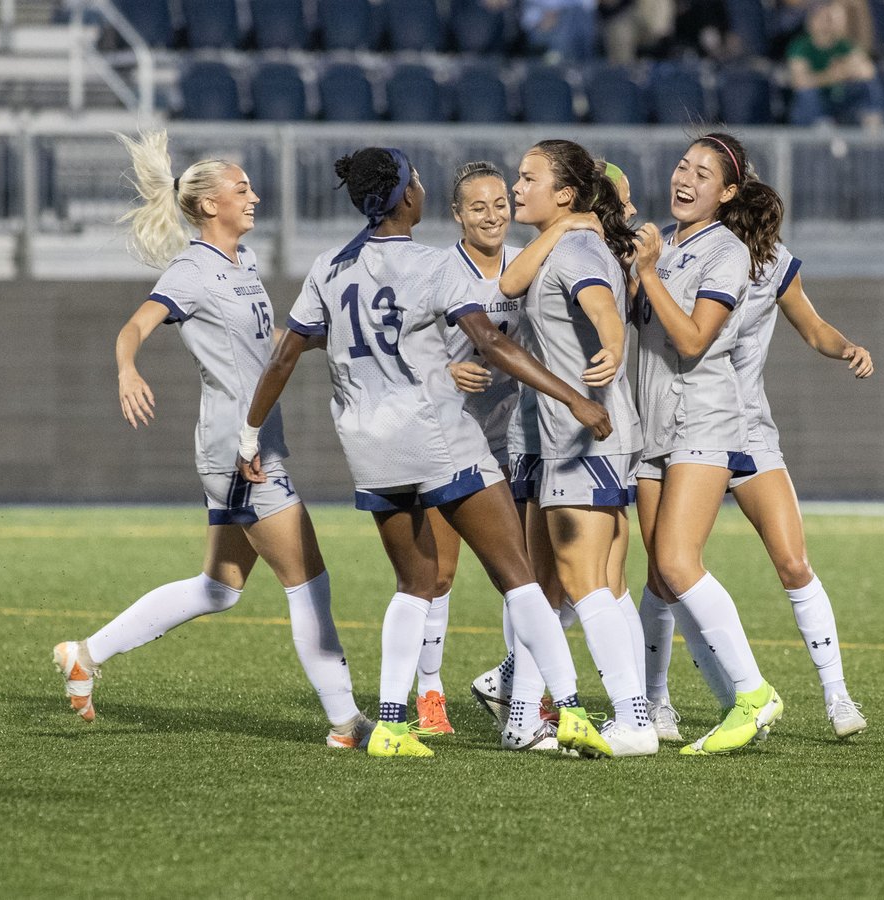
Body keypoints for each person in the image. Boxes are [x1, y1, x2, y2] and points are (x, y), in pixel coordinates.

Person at [236, 146, 617, 760]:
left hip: (370, 447)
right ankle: (569, 711)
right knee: (519, 578)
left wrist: (249, 434)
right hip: (441, 439)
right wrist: (577, 399)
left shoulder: (328, 268)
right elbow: (490, 342)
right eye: (415, 180)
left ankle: (389, 722)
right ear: (405, 199)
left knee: (413, 584)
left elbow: (284, 356)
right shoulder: (434, 265)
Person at [50, 131, 371, 750]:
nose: (253, 196)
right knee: (309, 578)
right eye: (241, 188)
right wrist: (127, 369)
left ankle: (85, 654)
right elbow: (133, 327)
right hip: (240, 450)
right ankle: (346, 723)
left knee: (219, 587)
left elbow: (264, 337)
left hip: (247, 442)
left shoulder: (242, 263)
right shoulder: (192, 270)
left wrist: (319, 340)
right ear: (208, 206)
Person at [639, 236, 873, 740]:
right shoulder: (673, 249)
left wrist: (846, 346)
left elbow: (812, 328)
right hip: (679, 426)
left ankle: (837, 695)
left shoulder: (768, 258)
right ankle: (658, 702)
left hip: (745, 429)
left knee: (792, 562)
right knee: (666, 573)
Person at [473, 140, 656, 758]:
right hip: (551, 436)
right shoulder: (559, 239)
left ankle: (635, 719)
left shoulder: (579, 246)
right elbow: (510, 280)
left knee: (585, 581)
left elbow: (603, 306)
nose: (515, 187)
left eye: (529, 178)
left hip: (586, 436)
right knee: (538, 585)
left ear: (566, 192)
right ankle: (523, 717)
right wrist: (566, 223)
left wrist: (613, 344)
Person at [631, 131, 785, 755]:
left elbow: (694, 341)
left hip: (702, 418)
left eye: (703, 173)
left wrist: (644, 272)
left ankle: (753, 695)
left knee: (675, 562)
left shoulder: (726, 251)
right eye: (681, 165)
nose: (685, 178)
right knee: (660, 575)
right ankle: (667, 705)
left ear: (726, 194)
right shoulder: (663, 244)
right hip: (650, 425)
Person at [408, 160, 525, 738]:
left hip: (516, 439)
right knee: (440, 572)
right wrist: (446, 370)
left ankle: (517, 690)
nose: (491, 216)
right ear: (456, 215)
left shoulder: (528, 264)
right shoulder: (433, 271)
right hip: (447, 438)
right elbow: (400, 354)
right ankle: (429, 694)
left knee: (520, 575)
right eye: (477, 207)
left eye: (500, 203)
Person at [786, 0, 884, 128]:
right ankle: (820, 129)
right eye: (822, 18)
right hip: (817, 105)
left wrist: (843, 70)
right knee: (807, 94)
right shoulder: (800, 46)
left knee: (868, 86)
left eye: (830, 18)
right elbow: (800, 82)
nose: (827, 24)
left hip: (840, 101)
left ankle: (873, 127)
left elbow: (868, 71)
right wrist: (832, 75)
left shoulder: (844, 45)